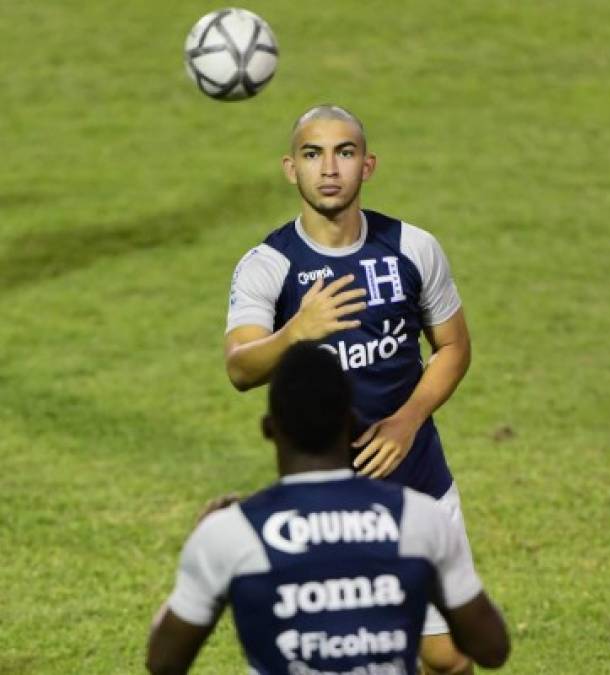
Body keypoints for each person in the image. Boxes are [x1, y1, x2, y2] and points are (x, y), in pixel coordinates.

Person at [224, 105, 474, 674]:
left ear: (368, 165)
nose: (329, 168)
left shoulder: (412, 248)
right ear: (291, 169)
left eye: (345, 152)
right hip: (322, 508)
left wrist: (409, 419)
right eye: (313, 154)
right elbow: (240, 367)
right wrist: (297, 332)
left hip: (419, 488)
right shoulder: (268, 266)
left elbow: (453, 347)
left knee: (449, 658)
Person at [147, 343, 509, 674]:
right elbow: (492, 649)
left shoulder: (230, 532)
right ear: (351, 422)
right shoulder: (419, 519)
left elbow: (163, 662)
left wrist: (198, 553)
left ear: (269, 429)